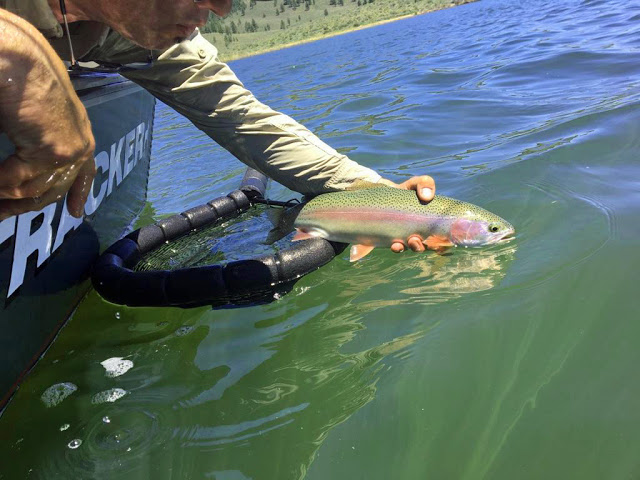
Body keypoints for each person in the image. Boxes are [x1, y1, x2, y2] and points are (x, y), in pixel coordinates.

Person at [0, 0, 436, 253]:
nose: (222, 9)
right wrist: (30, 67)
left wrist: (373, 194)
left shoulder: (151, 30)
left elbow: (242, 118)